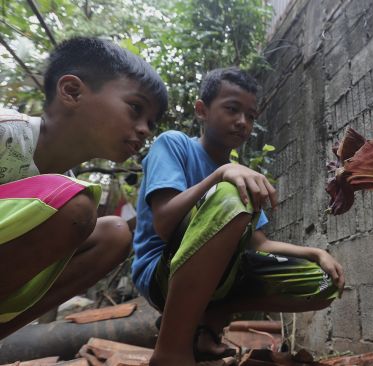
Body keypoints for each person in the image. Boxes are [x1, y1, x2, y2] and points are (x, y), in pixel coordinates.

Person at [131, 67, 345, 365]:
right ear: (201, 110)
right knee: (230, 192)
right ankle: (171, 350)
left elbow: (257, 244)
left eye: (251, 115)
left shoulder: (239, 175)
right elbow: (165, 223)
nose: (243, 122)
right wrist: (220, 175)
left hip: (222, 278)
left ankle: (210, 321)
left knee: (325, 282)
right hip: (162, 274)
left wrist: (315, 252)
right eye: (232, 109)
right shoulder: (175, 144)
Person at [0, 37, 168, 339]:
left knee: (114, 235)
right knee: (75, 206)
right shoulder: (6, 132)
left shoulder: (65, 186)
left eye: (150, 123)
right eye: (135, 108)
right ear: (72, 91)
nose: (144, 130)